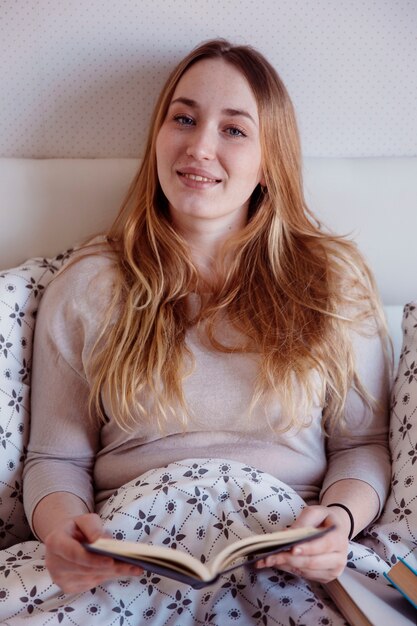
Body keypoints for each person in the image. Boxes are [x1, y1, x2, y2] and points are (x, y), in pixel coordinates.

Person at [18, 38, 390, 618]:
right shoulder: (89, 284)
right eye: (184, 118)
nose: (199, 146)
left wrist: (338, 523)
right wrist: (64, 536)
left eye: (234, 130)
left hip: (283, 563)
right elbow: (54, 460)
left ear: (271, 159)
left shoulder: (331, 283)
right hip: (134, 560)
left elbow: (362, 446)